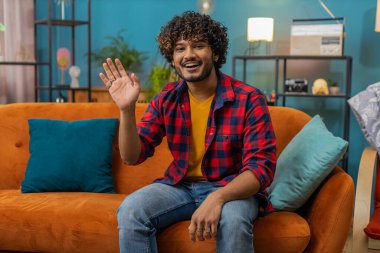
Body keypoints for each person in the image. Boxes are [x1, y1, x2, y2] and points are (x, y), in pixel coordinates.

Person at [99, 11, 276, 253]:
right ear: (172, 58)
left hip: (232, 188)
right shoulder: (167, 98)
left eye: (199, 46)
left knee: (233, 221)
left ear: (214, 52)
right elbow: (132, 157)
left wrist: (218, 198)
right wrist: (127, 110)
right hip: (180, 187)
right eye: (180, 48)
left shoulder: (248, 98)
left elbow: (260, 169)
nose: (189, 54)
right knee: (131, 210)